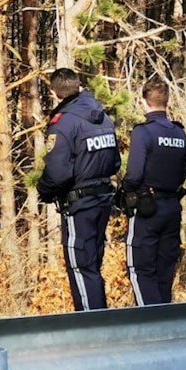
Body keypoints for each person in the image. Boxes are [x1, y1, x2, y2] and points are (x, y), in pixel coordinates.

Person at [37, 68, 121, 311]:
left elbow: (58, 172)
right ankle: (98, 320)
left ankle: (91, 327)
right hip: (103, 199)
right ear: (79, 86)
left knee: (80, 266)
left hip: (79, 203)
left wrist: (44, 190)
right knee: (93, 267)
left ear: (55, 93)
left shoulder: (64, 123)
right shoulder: (102, 117)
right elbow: (114, 162)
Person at [121, 75, 186, 306]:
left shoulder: (143, 132)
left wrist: (125, 193)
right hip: (172, 207)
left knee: (140, 268)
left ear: (144, 102)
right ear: (167, 102)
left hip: (147, 207)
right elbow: (182, 173)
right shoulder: (179, 133)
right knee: (164, 268)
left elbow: (133, 175)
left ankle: (149, 321)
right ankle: (163, 317)